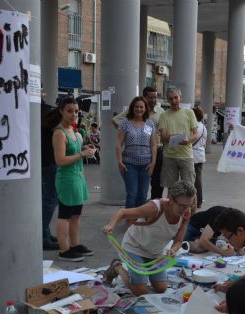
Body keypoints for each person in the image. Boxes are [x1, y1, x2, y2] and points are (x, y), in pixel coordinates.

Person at [102, 180, 195, 296]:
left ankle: (141, 272)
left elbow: (179, 241)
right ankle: (117, 267)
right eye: (182, 206)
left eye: (189, 206)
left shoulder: (186, 213)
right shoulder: (155, 208)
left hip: (155, 252)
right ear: (171, 199)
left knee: (161, 288)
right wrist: (111, 225)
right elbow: (122, 212)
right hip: (135, 246)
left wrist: (173, 250)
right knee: (140, 291)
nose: (185, 210)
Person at [51, 98, 97, 262]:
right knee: (65, 215)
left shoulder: (74, 131)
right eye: (69, 111)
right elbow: (60, 160)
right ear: (61, 111)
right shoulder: (59, 133)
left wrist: (85, 148)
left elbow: (74, 150)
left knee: (76, 214)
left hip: (78, 177)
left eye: (76, 111)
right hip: (67, 179)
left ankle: (75, 244)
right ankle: (64, 249)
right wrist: (81, 154)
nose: (73, 114)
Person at [114, 87, 166, 198]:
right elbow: (115, 120)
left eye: (155, 97)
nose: (153, 100)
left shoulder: (161, 112)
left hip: (157, 149)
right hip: (135, 156)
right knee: (135, 190)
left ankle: (153, 207)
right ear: (144, 97)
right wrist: (131, 132)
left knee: (157, 181)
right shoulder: (135, 110)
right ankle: (134, 211)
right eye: (150, 97)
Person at [116, 96, 158, 208]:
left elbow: (153, 145)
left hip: (146, 165)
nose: (139, 109)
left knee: (143, 194)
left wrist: (153, 162)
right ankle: (130, 219)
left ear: (145, 109)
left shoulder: (150, 124)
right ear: (132, 108)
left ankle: (140, 218)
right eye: (136, 107)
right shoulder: (125, 123)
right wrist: (119, 161)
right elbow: (119, 144)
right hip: (129, 164)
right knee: (132, 193)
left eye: (141, 107)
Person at [158, 87, 198, 191]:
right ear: (167, 99)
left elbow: (196, 134)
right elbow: (163, 137)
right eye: (171, 98)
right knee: (171, 189)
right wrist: (177, 138)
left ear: (180, 98)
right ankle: (172, 207)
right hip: (169, 156)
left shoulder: (189, 112)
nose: (174, 101)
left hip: (186, 155)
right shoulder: (164, 115)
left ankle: (190, 208)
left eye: (176, 97)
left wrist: (188, 140)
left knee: (189, 188)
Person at [41, 91, 59, 250]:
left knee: (46, 198)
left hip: (43, 159)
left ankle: (45, 233)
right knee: (50, 199)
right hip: (48, 160)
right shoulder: (43, 111)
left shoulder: (40, 111)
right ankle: (43, 236)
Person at [192, 106, 207, 208]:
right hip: (201, 155)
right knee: (198, 179)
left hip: (193, 155)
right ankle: (199, 200)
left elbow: (190, 140)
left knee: (194, 180)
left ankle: (196, 201)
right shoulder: (204, 127)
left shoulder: (195, 126)